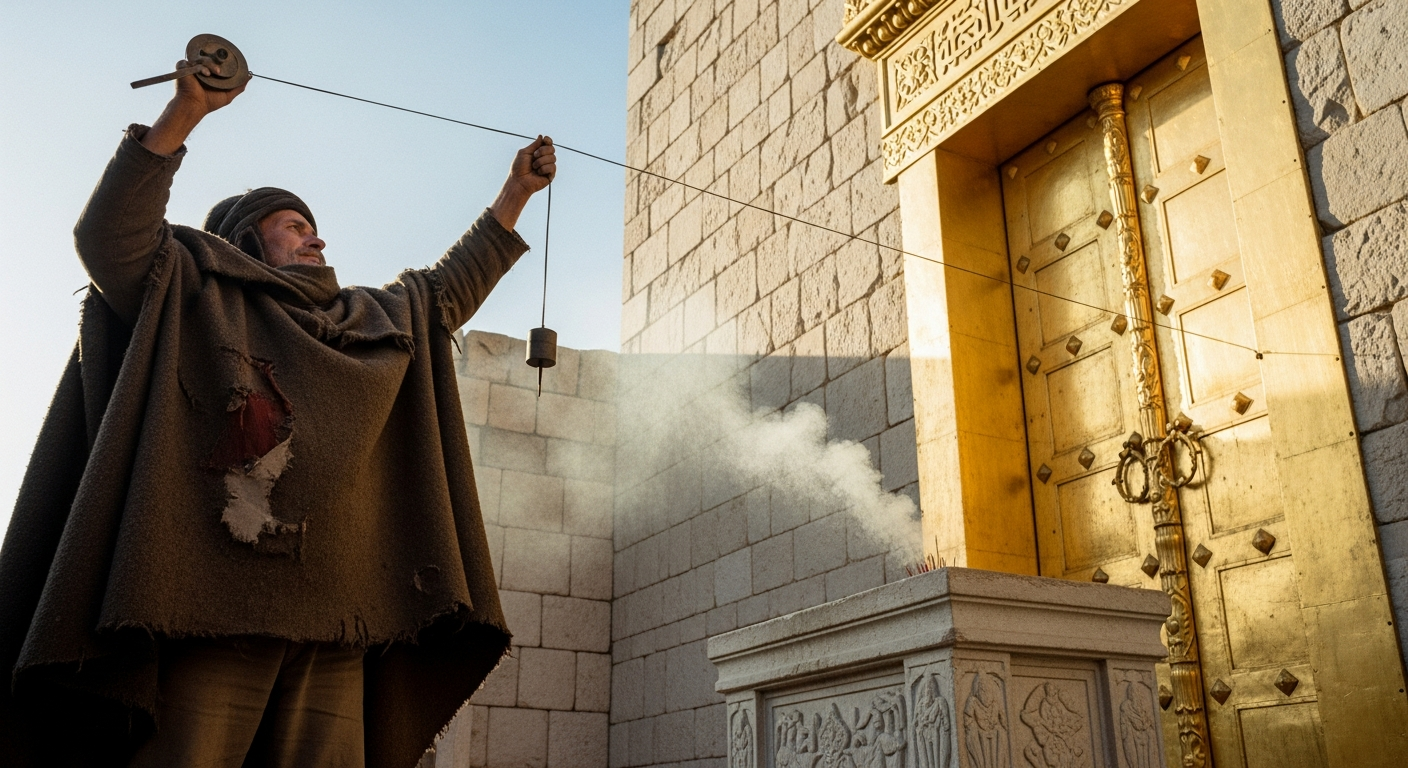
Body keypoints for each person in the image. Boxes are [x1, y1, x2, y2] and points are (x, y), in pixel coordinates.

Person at [0, 58, 554, 768]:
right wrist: (186, 113)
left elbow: (450, 285)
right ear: (249, 239)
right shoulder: (193, 285)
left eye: (315, 226)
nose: (316, 237)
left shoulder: (372, 315)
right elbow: (109, 236)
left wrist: (515, 192)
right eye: (294, 226)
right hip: (210, 612)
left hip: (338, 625)